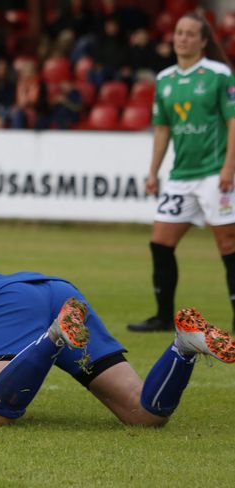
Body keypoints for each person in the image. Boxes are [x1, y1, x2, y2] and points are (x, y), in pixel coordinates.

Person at [0, 213, 235, 426]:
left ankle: (52, 340)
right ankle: (183, 346)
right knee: (144, 415)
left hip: (7, 307)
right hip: (51, 291)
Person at [127, 12, 235, 332]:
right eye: (178, 32)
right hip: (181, 177)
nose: (182, 38)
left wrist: (229, 167)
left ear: (203, 41)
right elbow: (162, 130)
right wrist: (152, 171)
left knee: (228, 245)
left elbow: (233, 122)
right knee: (160, 243)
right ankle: (163, 317)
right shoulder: (165, 79)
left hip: (215, 173)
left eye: (190, 34)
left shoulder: (219, 74)